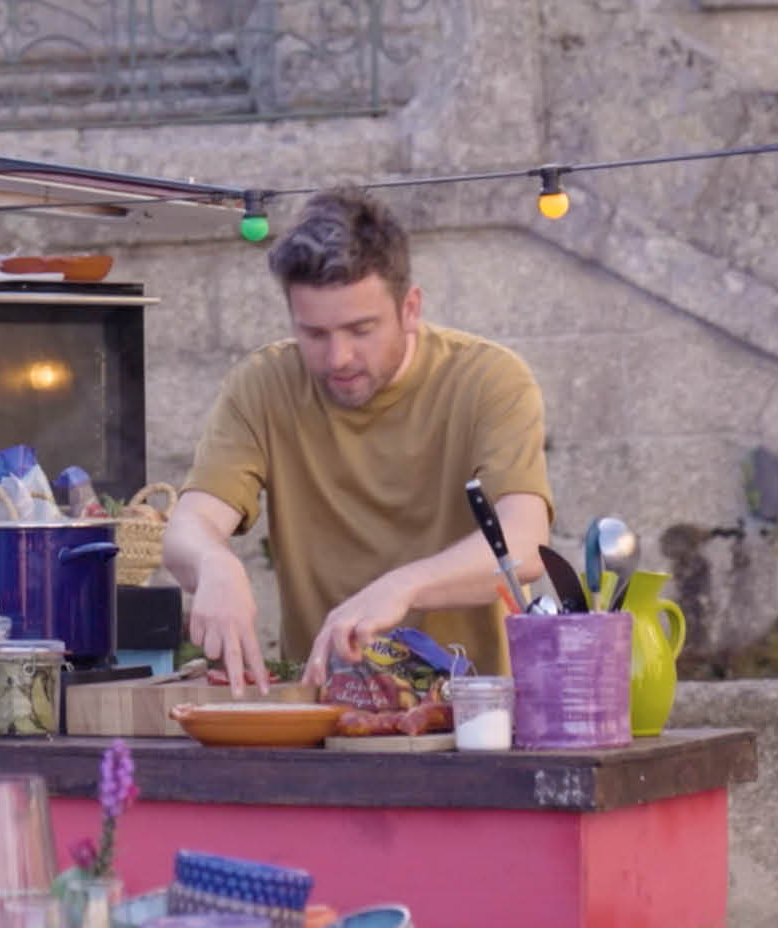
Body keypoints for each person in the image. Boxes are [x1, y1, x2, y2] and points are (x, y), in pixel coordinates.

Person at [161, 186, 554, 694]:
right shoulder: (262, 385)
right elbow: (187, 527)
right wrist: (212, 562)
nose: (338, 358)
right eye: (315, 334)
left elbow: (526, 544)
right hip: (323, 710)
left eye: (361, 329)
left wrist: (403, 587)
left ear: (410, 308)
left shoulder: (490, 380)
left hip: (473, 712)